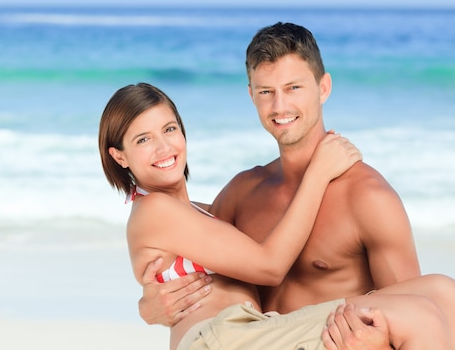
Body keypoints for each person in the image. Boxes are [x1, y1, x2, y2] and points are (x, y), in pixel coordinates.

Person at [98, 82, 455, 350]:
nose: (164, 147)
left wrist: (147, 307)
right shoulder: (154, 210)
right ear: (120, 156)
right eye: (143, 140)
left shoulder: (198, 213)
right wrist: (319, 172)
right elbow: (269, 267)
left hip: (253, 331)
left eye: (169, 129)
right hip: (223, 339)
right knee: (419, 317)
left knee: (443, 292)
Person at [137, 23, 422, 327]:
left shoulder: (368, 198)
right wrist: (149, 307)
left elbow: (411, 317)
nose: (280, 106)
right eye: (266, 92)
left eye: (293, 88)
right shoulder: (244, 191)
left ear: (323, 88)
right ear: (251, 96)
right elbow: (189, 255)